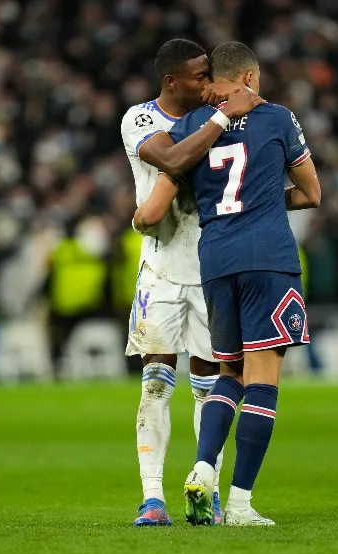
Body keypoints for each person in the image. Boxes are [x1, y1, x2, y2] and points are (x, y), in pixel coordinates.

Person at [137, 41, 320, 526]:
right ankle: (238, 504)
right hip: (269, 260)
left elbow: (153, 207)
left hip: (213, 262)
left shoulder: (192, 126)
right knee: (262, 383)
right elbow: (312, 192)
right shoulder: (278, 118)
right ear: (252, 78)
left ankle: (201, 468)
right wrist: (260, 201)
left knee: (228, 375)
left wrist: (143, 217)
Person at [120, 38, 263, 526]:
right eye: (199, 76)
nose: (207, 83)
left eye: (210, 74)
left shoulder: (217, 118)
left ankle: (207, 493)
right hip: (161, 269)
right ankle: (153, 498)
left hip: (213, 268)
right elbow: (174, 160)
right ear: (170, 80)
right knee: (156, 384)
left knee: (212, 388)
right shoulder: (140, 119)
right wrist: (222, 121)